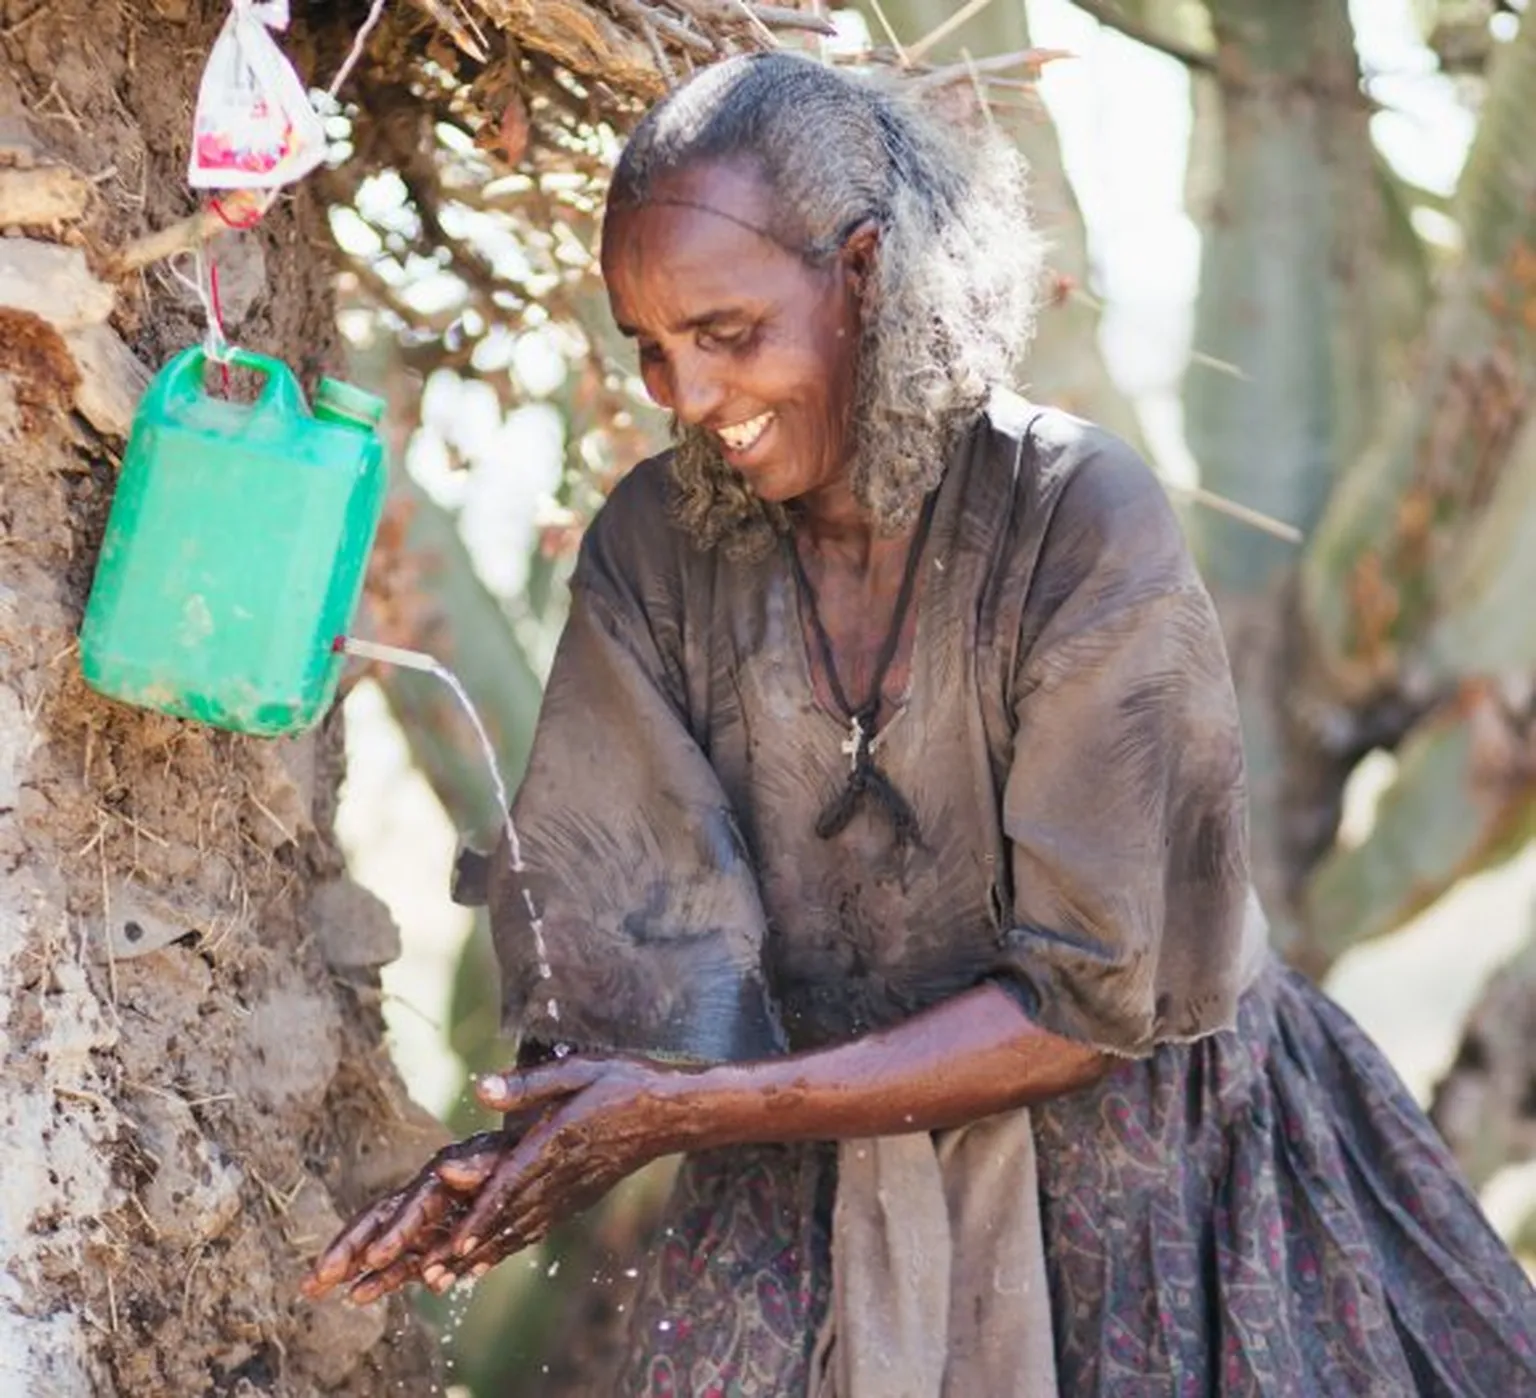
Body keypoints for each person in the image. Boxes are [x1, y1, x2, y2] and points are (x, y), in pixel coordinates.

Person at [303, 52, 1536, 1395]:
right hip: (804, 1177)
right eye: (649, 348)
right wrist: (527, 1140)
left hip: (1155, 1178)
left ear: (866, 274)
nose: (689, 396)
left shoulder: (1074, 514)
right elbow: (633, 953)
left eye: (726, 333)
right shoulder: (656, 548)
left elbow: (1085, 1007)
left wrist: (683, 1110)